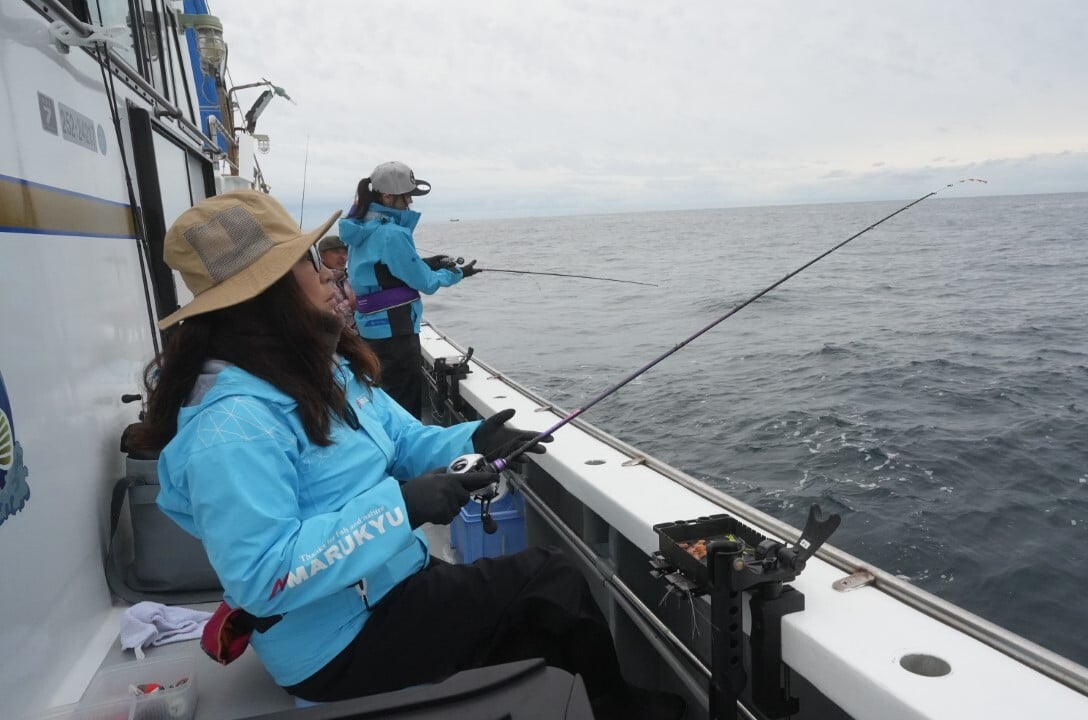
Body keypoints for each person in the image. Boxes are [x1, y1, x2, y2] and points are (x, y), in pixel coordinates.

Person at [135, 191, 680, 719]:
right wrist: (403, 508)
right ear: (267, 293)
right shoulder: (232, 428)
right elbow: (261, 575)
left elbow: (401, 441)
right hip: (336, 645)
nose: (330, 273)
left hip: (391, 586)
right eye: (307, 261)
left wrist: (473, 440)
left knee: (541, 617)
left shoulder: (320, 370)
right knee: (552, 580)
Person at [340, 161, 479, 418]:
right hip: (396, 329)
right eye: (406, 198)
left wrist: (426, 263)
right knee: (404, 400)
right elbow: (425, 283)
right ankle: (407, 455)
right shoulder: (392, 233)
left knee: (384, 396)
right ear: (388, 196)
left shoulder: (361, 230)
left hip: (370, 328)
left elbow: (380, 272)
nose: (409, 204)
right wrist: (456, 273)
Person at [317, 234, 356, 328]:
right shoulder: (317, 282)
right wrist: (350, 304)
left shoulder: (349, 277)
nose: (343, 257)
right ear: (322, 254)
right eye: (337, 252)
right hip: (338, 338)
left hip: (358, 334)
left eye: (345, 252)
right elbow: (324, 317)